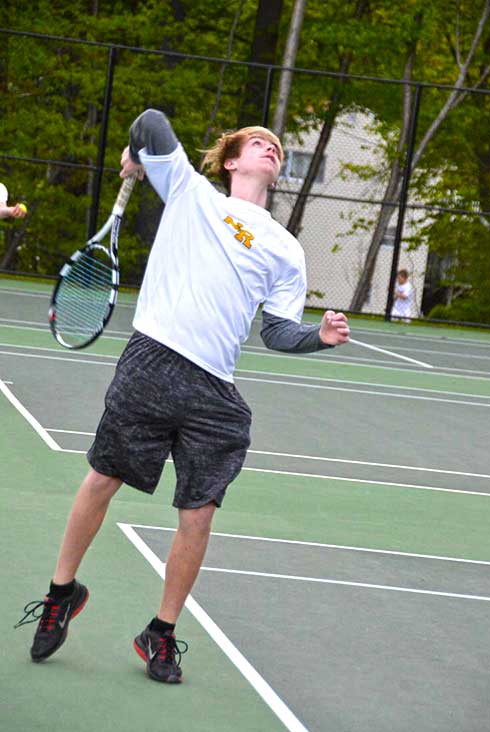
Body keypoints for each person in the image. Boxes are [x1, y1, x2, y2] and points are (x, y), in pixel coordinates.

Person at [18, 109, 350, 684]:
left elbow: (277, 332)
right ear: (231, 162)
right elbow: (150, 121)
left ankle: (162, 632)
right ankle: (60, 593)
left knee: (198, 513)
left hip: (213, 389)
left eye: (276, 145)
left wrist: (317, 337)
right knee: (102, 478)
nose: (271, 147)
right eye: (258, 141)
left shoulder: (286, 250)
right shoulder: (190, 193)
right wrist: (135, 150)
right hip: (152, 360)